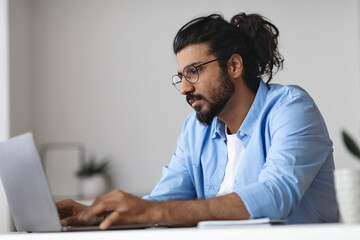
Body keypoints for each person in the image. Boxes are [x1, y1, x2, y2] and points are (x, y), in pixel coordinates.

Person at [57, 12, 338, 229]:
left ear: (234, 65)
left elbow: (276, 196)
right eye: (181, 76)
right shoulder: (196, 130)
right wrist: (92, 213)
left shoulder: (290, 108)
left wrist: (155, 211)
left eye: (193, 72)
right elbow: (161, 203)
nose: (184, 88)